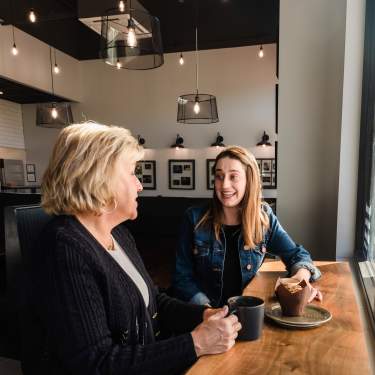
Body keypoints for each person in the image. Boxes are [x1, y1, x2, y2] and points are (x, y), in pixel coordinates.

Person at [22, 122, 241, 375]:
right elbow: (96, 363)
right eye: (132, 173)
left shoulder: (119, 234)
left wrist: (203, 316)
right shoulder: (64, 248)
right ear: (100, 178)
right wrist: (196, 343)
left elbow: (153, 301)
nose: (140, 185)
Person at [173, 146, 323, 308]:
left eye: (233, 177)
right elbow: (181, 278)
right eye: (219, 176)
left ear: (249, 180)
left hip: (248, 315)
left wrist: (300, 284)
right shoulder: (194, 218)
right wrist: (209, 312)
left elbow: (297, 255)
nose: (224, 185)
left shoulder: (263, 217)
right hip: (204, 315)